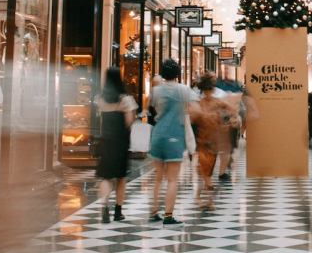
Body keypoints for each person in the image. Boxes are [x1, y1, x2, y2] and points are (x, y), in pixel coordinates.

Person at [149, 59, 196, 225]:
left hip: (157, 134)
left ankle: (153, 212)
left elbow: (155, 110)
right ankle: (168, 215)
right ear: (177, 74)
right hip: (175, 135)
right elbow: (193, 110)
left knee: (158, 178)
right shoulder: (184, 90)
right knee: (172, 179)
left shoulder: (155, 91)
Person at [191, 72, 241, 209]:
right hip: (208, 140)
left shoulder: (199, 102)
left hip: (204, 140)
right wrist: (230, 119)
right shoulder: (215, 101)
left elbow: (191, 117)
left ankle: (201, 197)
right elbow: (232, 109)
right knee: (206, 170)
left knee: (205, 170)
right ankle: (209, 200)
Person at [96, 67, 138, 223]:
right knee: (121, 177)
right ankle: (118, 211)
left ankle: (104, 206)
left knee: (106, 176)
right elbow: (129, 121)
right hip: (120, 141)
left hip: (105, 141)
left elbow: (100, 117)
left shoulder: (99, 99)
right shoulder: (126, 99)